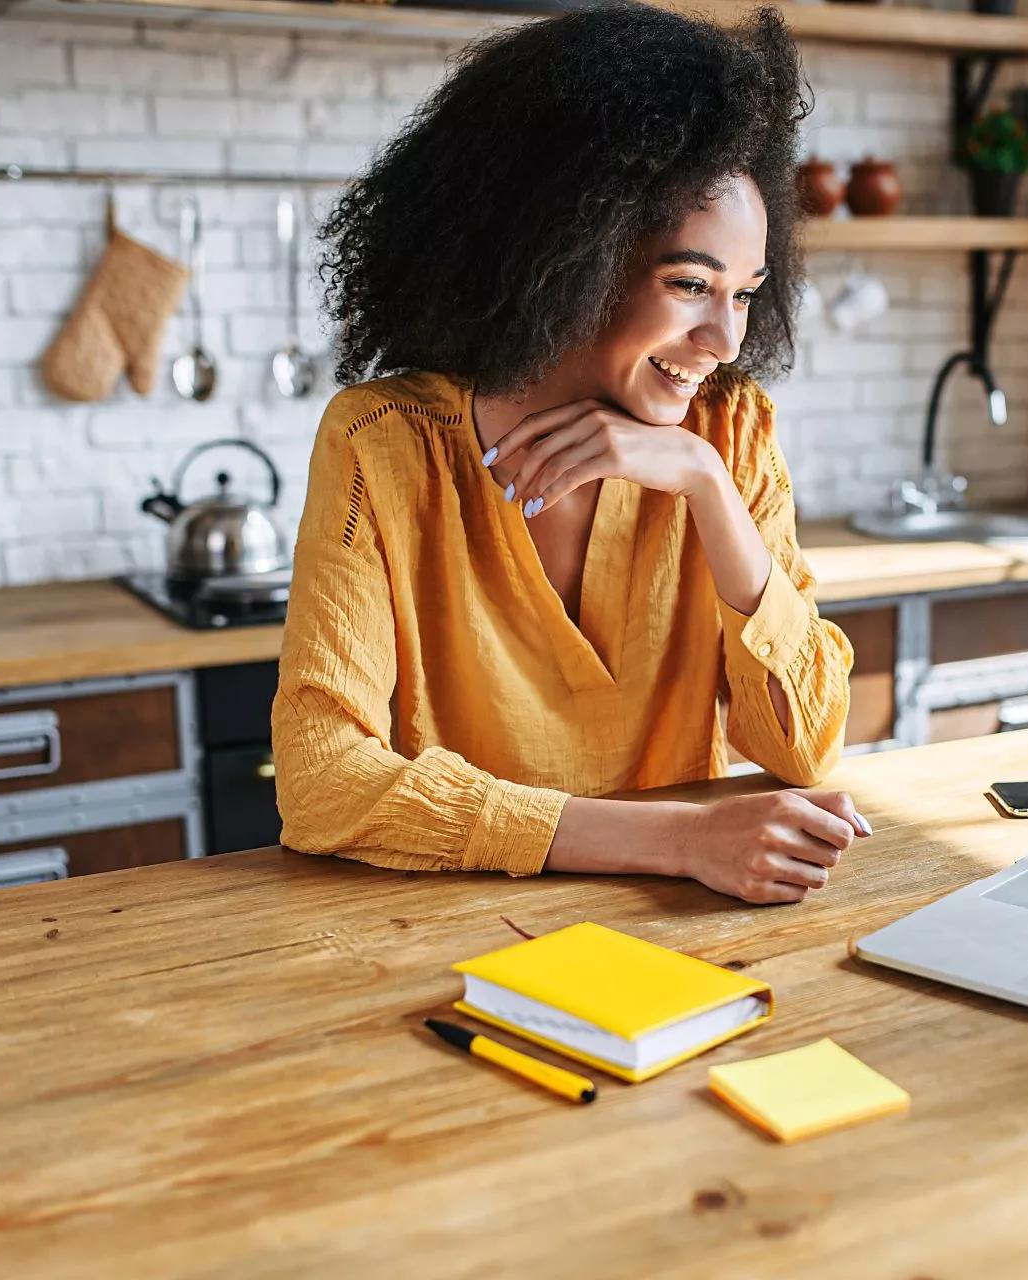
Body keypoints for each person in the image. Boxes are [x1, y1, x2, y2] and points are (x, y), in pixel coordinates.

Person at [270, 5, 866, 905]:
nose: (725, 340)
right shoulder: (383, 444)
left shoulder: (728, 433)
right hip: (453, 929)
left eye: (746, 294)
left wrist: (706, 486)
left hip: (686, 926)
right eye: (691, 285)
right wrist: (680, 839)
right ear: (566, 255)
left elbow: (806, 747)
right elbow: (321, 785)